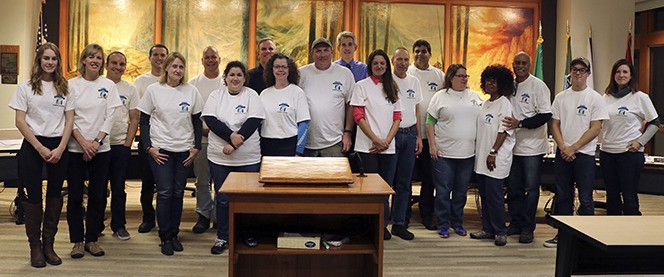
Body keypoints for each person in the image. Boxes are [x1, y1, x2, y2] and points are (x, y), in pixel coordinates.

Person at [8, 42, 73, 267]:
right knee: (32, 197)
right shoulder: (26, 87)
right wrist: (40, 148)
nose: (50, 62)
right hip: (33, 147)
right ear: (39, 60)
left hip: (58, 147)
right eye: (46, 58)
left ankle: (48, 245)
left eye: (54, 59)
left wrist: (61, 148)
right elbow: (19, 121)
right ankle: (35, 248)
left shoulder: (65, 87)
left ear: (58, 62)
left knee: (55, 195)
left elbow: (70, 121)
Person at [138, 52, 203, 256]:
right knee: (165, 193)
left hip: (184, 151)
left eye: (181, 67)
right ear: (166, 68)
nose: (177, 70)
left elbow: (197, 121)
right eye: (174, 66)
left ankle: (175, 234)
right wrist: (149, 147)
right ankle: (165, 236)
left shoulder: (191, 91)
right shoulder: (153, 90)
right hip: (161, 151)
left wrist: (196, 147)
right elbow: (144, 120)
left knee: (177, 193)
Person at [544, 57, 609, 248]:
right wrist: (563, 146)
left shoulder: (595, 98)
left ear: (588, 73)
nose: (577, 73)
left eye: (582, 70)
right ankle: (563, 237)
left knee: (586, 198)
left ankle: (586, 238)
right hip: (563, 153)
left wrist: (574, 147)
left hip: (584, 155)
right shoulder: (561, 97)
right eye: (574, 69)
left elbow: (595, 128)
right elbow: (554, 124)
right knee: (563, 196)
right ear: (570, 72)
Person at [202, 61, 265, 254]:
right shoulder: (216, 95)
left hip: (248, 158)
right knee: (222, 198)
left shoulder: (251, 95)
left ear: (245, 78)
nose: (235, 78)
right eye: (231, 75)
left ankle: (247, 234)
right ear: (225, 77)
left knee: (247, 199)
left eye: (239, 75)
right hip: (220, 158)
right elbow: (211, 119)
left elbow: (254, 121)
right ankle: (223, 236)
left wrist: (235, 143)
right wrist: (230, 137)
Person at [67, 43, 122, 258]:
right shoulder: (71, 85)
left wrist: (96, 142)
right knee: (74, 196)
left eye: (99, 58)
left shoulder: (108, 85)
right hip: (74, 149)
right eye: (91, 57)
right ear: (83, 60)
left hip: (101, 149)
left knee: (98, 196)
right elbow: (68, 117)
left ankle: (92, 239)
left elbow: (110, 117)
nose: (95, 61)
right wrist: (82, 142)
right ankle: (77, 241)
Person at [426, 64, 482, 239]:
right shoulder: (440, 96)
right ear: (451, 78)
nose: (464, 78)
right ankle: (443, 224)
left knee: (460, 192)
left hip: (467, 154)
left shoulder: (474, 96)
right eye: (460, 76)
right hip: (444, 153)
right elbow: (429, 122)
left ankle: (457, 223)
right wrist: (432, 146)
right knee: (443, 191)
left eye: (466, 76)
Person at [351, 49, 402, 240]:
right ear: (370, 66)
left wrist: (387, 140)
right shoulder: (361, 86)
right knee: (368, 190)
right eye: (375, 63)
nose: (379, 66)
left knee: (385, 189)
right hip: (367, 146)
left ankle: (382, 226)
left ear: (387, 66)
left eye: (382, 63)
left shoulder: (393, 87)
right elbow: (358, 116)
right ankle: (368, 226)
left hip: (389, 147)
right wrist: (375, 139)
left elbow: (397, 117)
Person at [502, 52, 552, 244]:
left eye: (524, 63)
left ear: (529, 65)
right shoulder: (510, 86)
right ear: (513, 65)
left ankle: (528, 228)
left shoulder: (538, 86)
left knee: (531, 189)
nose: (520, 66)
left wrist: (520, 124)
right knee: (513, 189)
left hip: (532, 148)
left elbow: (545, 115)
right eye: (517, 63)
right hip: (511, 147)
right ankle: (515, 223)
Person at [600, 59, 659, 215]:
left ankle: (631, 235)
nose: (621, 75)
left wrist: (640, 142)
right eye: (618, 72)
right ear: (613, 75)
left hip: (629, 154)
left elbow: (655, 123)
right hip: (607, 152)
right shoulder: (605, 97)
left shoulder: (640, 97)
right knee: (611, 196)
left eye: (625, 72)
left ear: (631, 75)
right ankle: (612, 235)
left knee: (629, 196)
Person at [469, 64, 515, 247]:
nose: (490, 84)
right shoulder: (486, 103)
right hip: (482, 157)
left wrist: (493, 152)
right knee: (485, 195)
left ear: (502, 83)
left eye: (494, 80)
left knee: (495, 196)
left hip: (496, 157)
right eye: (487, 80)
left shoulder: (504, 103)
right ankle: (487, 229)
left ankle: (500, 231)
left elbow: (503, 130)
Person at [407, 39, 444, 230]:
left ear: (430, 54)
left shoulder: (439, 75)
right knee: (405, 177)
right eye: (417, 51)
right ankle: (403, 215)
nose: (420, 54)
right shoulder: (407, 73)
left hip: (431, 136)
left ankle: (426, 215)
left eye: (424, 51)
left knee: (429, 179)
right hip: (409, 134)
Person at [299, 37, 355, 157]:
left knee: (335, 176)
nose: (322, 54)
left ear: (332, 52)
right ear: (312, 53)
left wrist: (347, 133)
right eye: (318, 51)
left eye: (326, 50)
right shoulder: (301, 73)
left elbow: (351, 105)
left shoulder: (345, 74)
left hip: (334, 143)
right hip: (305, 143)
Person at [188, 46, 224, 234]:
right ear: (202, 61)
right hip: (200, 140)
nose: (210, 60)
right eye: (207, 57)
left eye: (214, 57)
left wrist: (219, 131)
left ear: (220, 59)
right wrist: (200, 130)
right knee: (202, 181)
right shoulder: (193, 84)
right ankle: (203, 215)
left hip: (222, 142)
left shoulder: (226, 82)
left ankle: (219, 217)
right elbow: (189, 113)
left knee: (220, 182)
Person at [134, 44, 169, 233]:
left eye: (163, 55)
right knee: (147, 183)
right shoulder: (141, 82)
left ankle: (169, 221)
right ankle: (148, 218)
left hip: (169, 141)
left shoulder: (173, 80)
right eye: (155, 54)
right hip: (148, 140)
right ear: (150, 57)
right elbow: (140, 114)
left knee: (167, 186)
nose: (159, 58)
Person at [105, 51, 140, 241]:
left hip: (120, 145)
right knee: (99, 188)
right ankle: (95, 225)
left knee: (118, 188)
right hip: (99, 146)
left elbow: (134, 118)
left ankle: (119, 225)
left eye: (122, 64)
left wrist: (127, 144)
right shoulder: (99, 85)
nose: (118, 67)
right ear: (106, 65)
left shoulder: (130, 89)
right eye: (114, 63)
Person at [389, 47, 422, 240]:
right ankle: (384, 223)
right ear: (393, 61)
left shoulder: (414, 82)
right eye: (399, 59)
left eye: (406, 59)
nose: (403, 63)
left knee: (404, 182)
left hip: (409, 136)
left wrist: (418, 136)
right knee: (387, 182)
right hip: (391, 136)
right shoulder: (387, 81)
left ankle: (399, 224)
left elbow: (416, 110)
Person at [260, 53, 310, 156]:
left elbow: (304, 124)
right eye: (277, 67)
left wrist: (298, 151)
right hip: (267, 145)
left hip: (289, 145)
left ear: (289, 70)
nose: (280, 70)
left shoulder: (297, 92)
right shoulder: (264, 94)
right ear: (272, 69)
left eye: (284, 67)